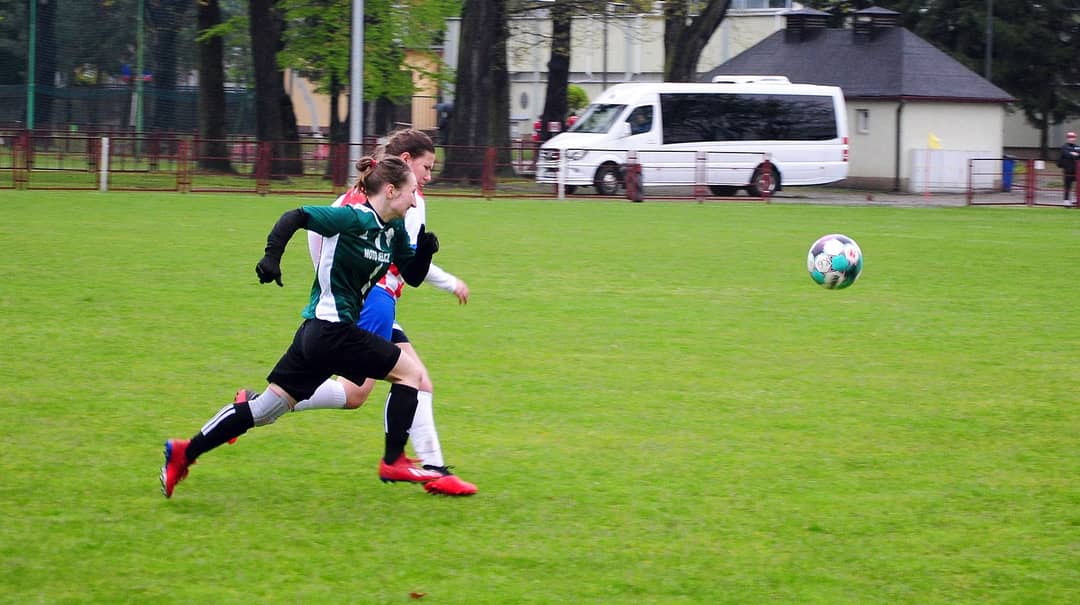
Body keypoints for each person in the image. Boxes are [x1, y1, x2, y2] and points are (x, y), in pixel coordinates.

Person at [160, 155, 440, 499]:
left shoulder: (393, 230)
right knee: (411, 374)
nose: (415, 201)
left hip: (319, 337)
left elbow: (412, 275)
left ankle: (184, 452)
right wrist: (271, 257)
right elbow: (295, 216)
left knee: (264, 411)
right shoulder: (351, 218)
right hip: (332, 332)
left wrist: (424, 253)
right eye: (412, 192)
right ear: (392, 190)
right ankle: (393, 460)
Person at [279, 128, 475, 496]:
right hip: (377, 301)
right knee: (360, 391)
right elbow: (409, 262)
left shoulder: (355, 192)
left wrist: (333, 280)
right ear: (406, 161)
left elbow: (317, 235)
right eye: (426, 168)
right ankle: (266, 403)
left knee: (416, 381)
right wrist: (450, 282)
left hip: (362, 299)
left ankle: (435, 469)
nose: (428, 177)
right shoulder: (408, 199)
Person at [1060, 131, 1079, 206]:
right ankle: (1066, 201)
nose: (1072, 139)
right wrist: (1073, 153)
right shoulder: (1064, 146)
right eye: (1070, 137)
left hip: (1076, 170)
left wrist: (1072, 153)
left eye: (1073, 137)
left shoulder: (1077, 146)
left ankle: (1077, 199)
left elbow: (1078, 154)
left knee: (1078, 186)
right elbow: (1066, 154)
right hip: (1068, 170)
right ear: (1067, 138)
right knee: (1067, 186)